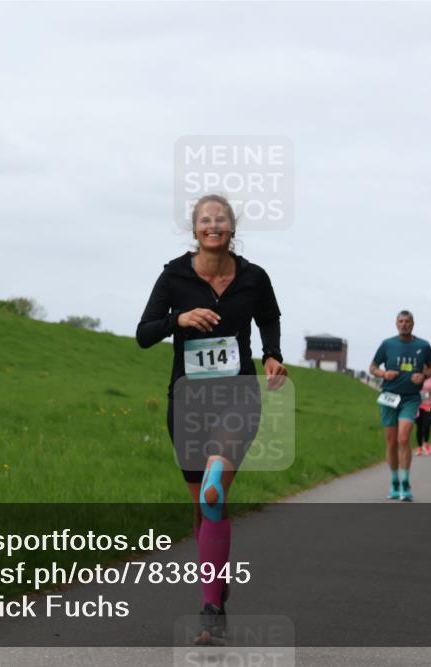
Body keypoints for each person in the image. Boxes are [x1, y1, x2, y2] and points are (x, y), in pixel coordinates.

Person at [136, 194, 288, 644]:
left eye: (220, 219)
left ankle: (210, 613)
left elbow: (269, 319)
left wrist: (272, 356)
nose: (213, 225)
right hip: (188, 403)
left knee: (213, 491)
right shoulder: (174, 276)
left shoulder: (254, 277)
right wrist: (178, 319)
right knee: (203, 510)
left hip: (237, 397)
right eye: (205, 219)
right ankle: (215, 585)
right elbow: (144, 334)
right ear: (195, 229)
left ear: (232, 228)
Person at [369, 310, 431, 501]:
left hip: (410, 398)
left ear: (413, 324)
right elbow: (372, 367)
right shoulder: (387, 344)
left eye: (407, 321)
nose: (404, 324)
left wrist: (424, 376)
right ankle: (394, 482)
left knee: (403, 438)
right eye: (401, 321)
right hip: (389, 397)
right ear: (396, 323)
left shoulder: (423, 345)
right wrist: (384, 374)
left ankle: (405, 482)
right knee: (391, 442)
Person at [416, 375, 431, 456]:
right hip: (417, 405)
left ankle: (426, 443)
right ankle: (419, 447)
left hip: (428, 404)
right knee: (419, 427)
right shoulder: (416, 376)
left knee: (427, 424)